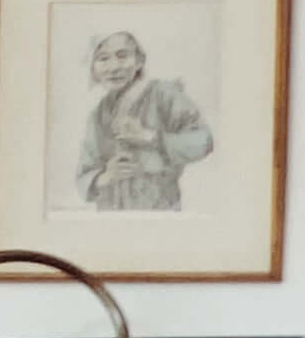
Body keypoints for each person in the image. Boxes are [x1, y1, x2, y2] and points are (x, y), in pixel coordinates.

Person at [74, 31, 213, 212]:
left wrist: (151, 137)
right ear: (93, 67)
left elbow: (203, 141)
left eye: (122, 56)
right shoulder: (98, 114)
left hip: (159, 208)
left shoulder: (164, 94)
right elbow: (84, 174)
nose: (113, 67)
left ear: (139, 60)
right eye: (103, 58)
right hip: (110, 212)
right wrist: (105, 176)